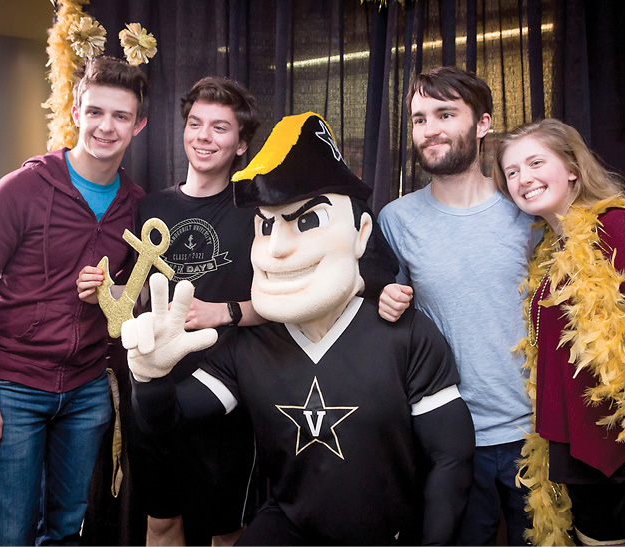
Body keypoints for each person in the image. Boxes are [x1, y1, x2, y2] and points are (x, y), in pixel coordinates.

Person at [125, 112, 476, 545]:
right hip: (288, 524)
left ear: (361, 233)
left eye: (307, 222)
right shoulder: (250, 345)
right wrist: (150, 377)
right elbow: (172, 418)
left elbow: (451, 457)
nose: (279, 246)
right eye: (266, 226)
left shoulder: (404, 332)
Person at [493, 118, 625, 546]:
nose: (523, 178)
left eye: (536, 162)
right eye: (511, 172)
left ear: (572, 167)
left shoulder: (619, 231)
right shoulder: (550, 251)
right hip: (580, 456)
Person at [0, 55, 148, 545]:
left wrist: (112, 296)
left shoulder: (136, 206)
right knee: (8, 535)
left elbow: (132, 303)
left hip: (88, 391)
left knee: (68, 530)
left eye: (121, 116)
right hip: (13, 387)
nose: (105, 127)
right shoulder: (18, 192)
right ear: (75, 112)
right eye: (95, 112)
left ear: (139, 125)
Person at [77, 76, 263, 547]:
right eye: (195, 123)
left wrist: (222, 311)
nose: (203, 136)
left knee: (227, 532)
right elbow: (133, 293)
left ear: (241, 144)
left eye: (220, 128)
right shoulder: (151, 205)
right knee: (161, 523)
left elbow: (288, 305)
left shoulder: (257, 211)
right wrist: (103, 290)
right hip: (152, 394)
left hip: (227, 394)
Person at [377, 66, 536, 545]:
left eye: (445, 114)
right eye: (419, 118)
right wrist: (385, 302)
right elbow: (386, 329)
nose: (430, 129)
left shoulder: (529, 215)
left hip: (536, 433)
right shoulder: (396, 219)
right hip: (447, 436)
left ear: (483, 124)